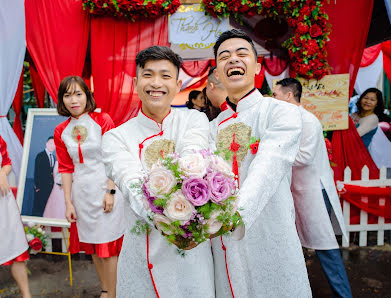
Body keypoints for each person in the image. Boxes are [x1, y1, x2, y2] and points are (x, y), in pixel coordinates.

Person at [101, 46, 214, 297]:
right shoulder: (115, 138)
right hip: (142, 256)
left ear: (177, 83)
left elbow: (192, 159)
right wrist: (169, 221)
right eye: (148, 75)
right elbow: (132, 185)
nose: (156, 83)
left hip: (192, 257)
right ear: (135, 82)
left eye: (165, 76)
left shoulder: (194, 121)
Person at [209, 29, 311, 297]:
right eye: (224, 57)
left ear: (257, 66)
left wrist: (236, 214)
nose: (233, 60)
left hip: (270, 229)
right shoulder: (211, 128)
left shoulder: (281, 112)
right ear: (217, 74)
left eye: (242, 54)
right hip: (224, 238)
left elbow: (269, 164)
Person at [273, 78, 352, 298]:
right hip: (299, 191)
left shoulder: (307, 121)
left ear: (289, 95)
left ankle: (343, 294)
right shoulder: (289, 119)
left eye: (276, 95)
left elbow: (305, 157)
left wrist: (274, 154)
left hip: (313, 193)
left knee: (324, 246)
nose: (273, 99)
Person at [54, 76, 125, 298]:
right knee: (94, 246)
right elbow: (66, 168)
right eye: (67, 95)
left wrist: (110, 191)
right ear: (62, 100)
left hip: (106, 188)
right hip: (82, 194)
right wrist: (68, 202)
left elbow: (113, 158)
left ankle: (113, 293)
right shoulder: (61, 131)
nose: (73, 100)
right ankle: (105, 290)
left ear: (87, 95)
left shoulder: (102, 119)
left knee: (109, 249)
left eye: (78, 94)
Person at [0, 136, 32, 298]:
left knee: (16, 250)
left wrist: (2, 173)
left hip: (4, 203)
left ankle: (27, 295)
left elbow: (7, 163)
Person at [32, 136, 55, 217]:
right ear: (46, 144)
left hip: (50, 189)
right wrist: (37, 187)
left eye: (54, 144)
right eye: (51, 143)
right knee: (38, 209)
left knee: (46, 210)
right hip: (41, 189)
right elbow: (37, 172)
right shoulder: (40, 156)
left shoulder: (53, 158)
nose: (52, 146)